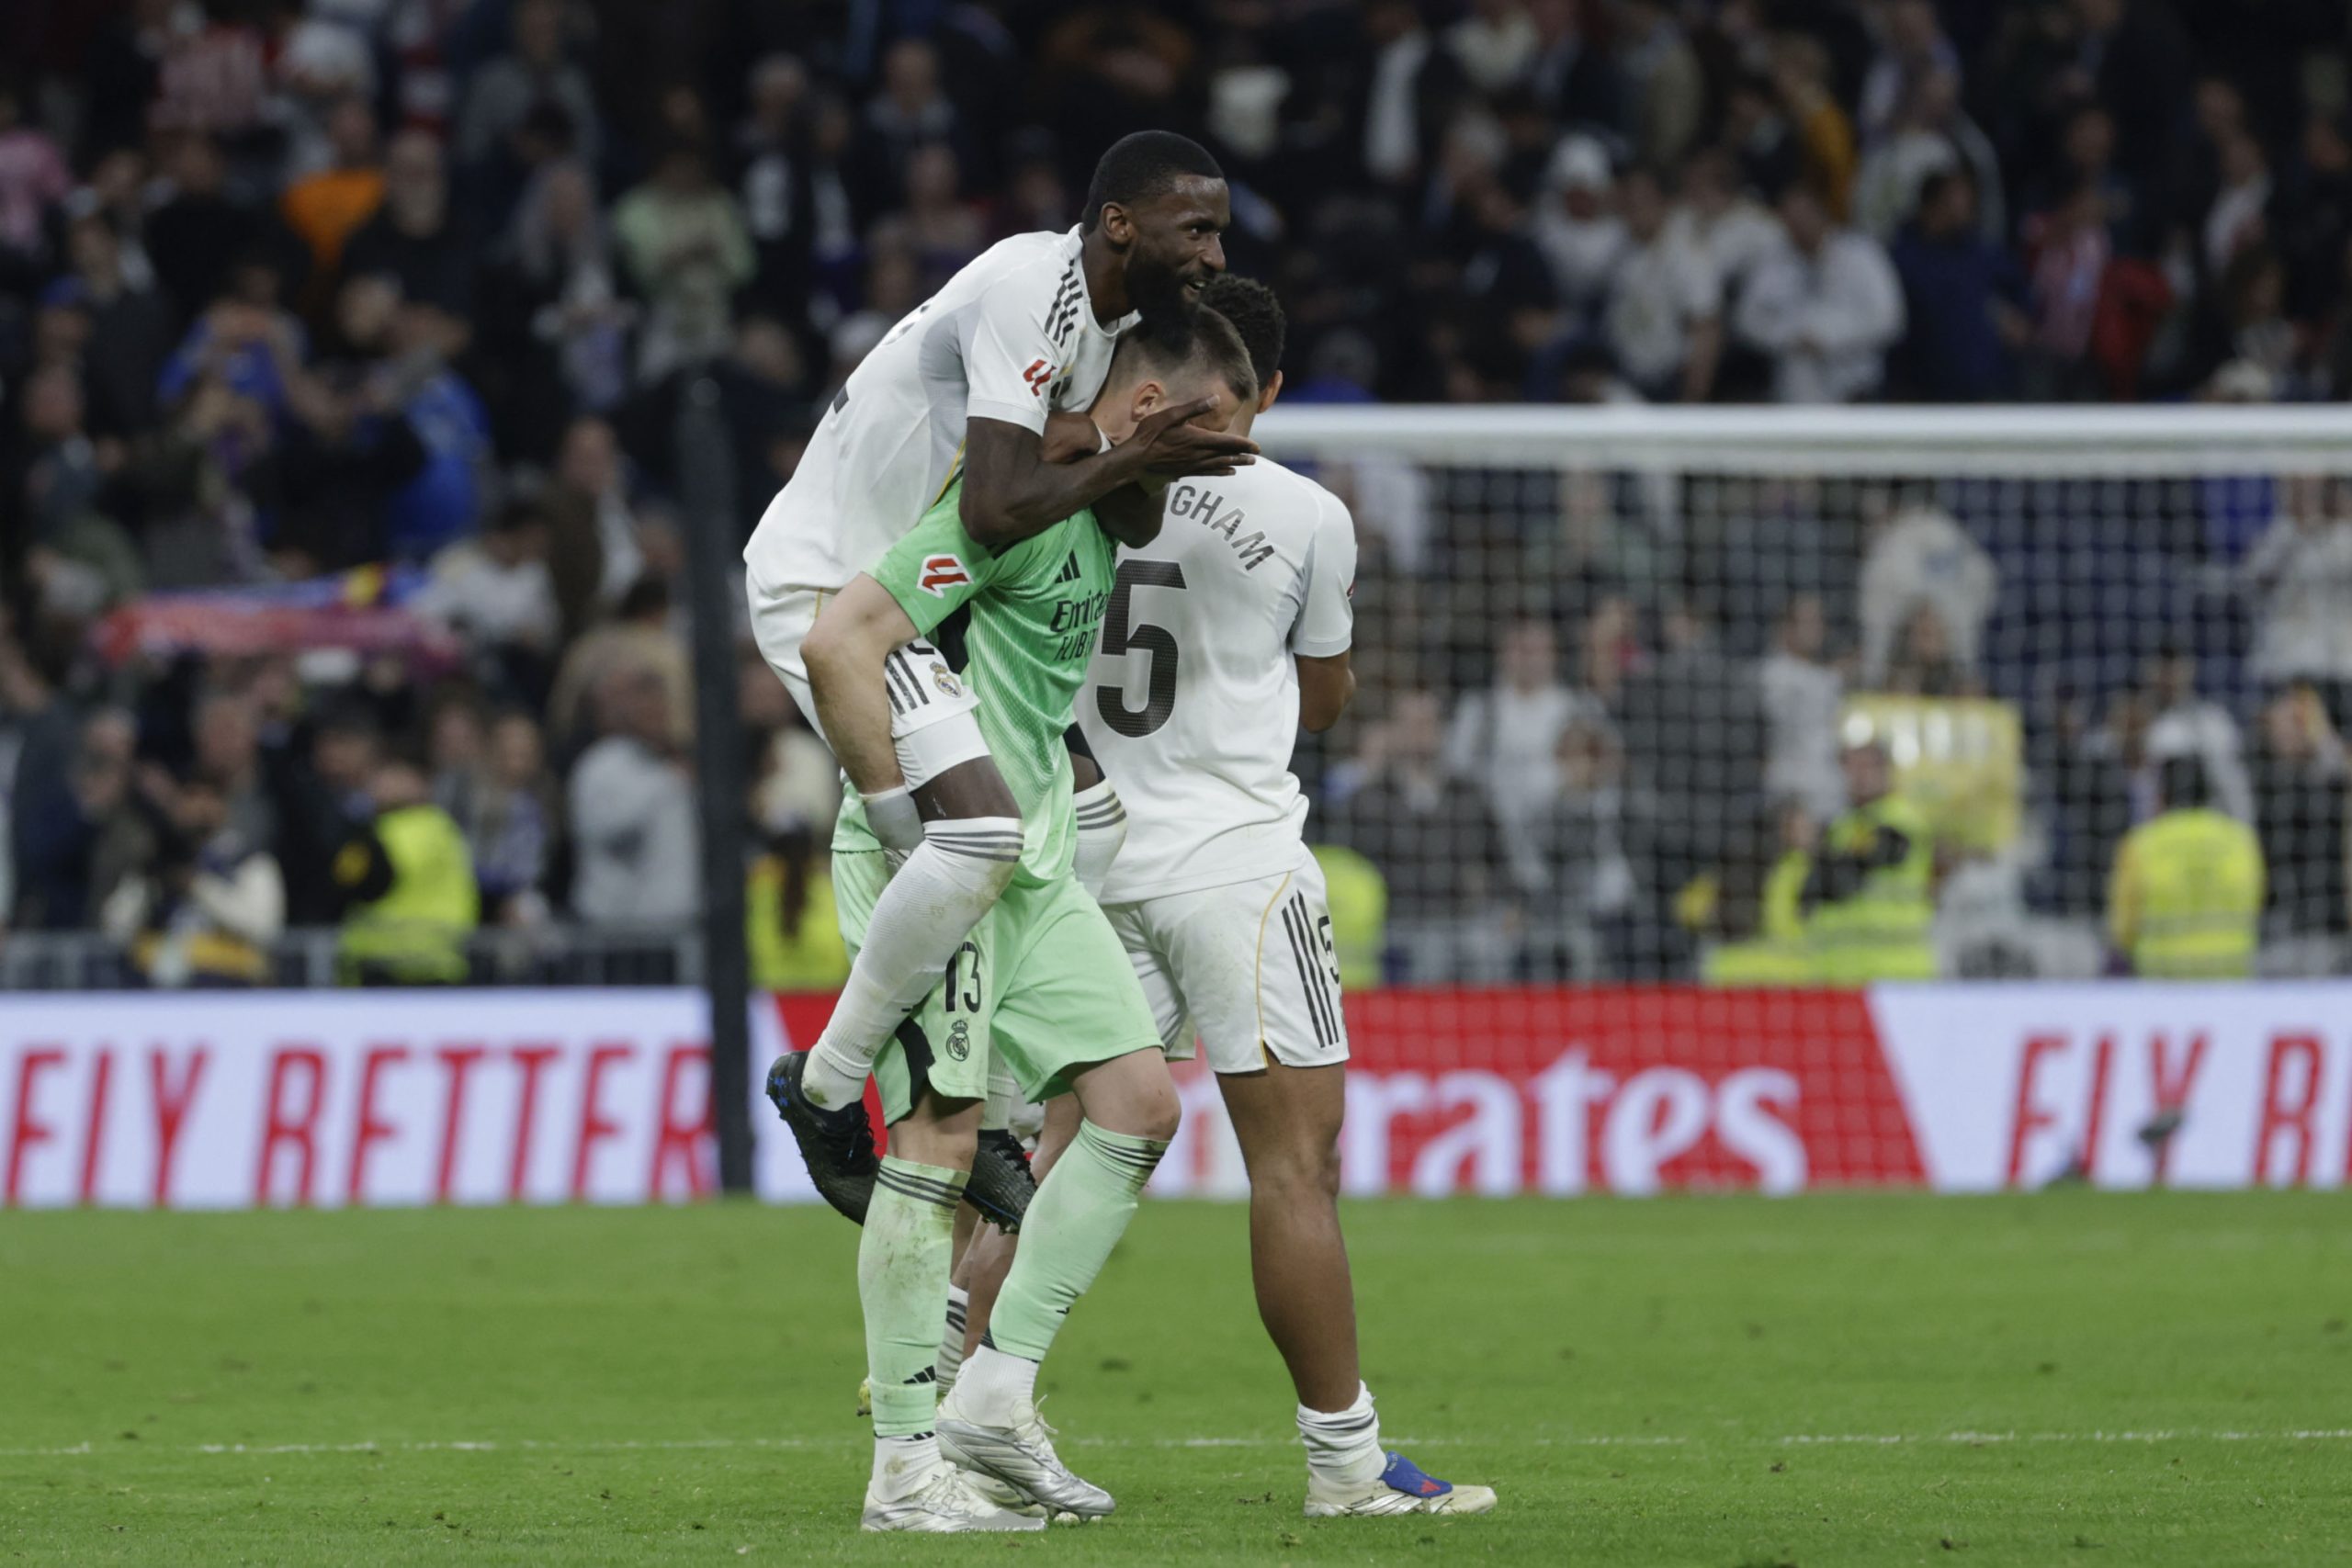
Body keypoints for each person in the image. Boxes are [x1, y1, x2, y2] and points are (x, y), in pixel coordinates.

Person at [773, 313, 1259, 1533]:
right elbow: (843, 638)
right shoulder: (1000, 511)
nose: (1219, 477)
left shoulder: (1096, 515)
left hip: (1035, 864)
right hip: (955, 857)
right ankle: (901, 1469)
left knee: (1138, 1105)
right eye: (1215, 448)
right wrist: (904, 829)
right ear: (1149, 414)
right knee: (934, 1143)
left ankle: (990, 1396)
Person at [1039, 275, 1488, 1516]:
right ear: (1266, 393)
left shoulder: (1052, 485)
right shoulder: (1303, 512)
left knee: (1055, 1143)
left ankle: (957, 1422)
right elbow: (1326, 696)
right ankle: (1345, 1460)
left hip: (1083, 854)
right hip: (1230, 858)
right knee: (1294, 1168)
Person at [742, 130, 1253, 1137]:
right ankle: (831, 1087)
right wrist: (1125, 451)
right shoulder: (1033, 287)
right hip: (833, 586)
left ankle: (1003, 1104)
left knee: (1092, 814)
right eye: (1195, 229)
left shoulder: (1107, 334)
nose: (1214, 256)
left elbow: (1112, 505)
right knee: (975, 834)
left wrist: (1148, 454)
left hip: (918, 601)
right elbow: (994, 505)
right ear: (1119, 223)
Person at [2108, 756, 2264, 978]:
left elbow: (2122, 928)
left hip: (2163, 978)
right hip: (2230, 975)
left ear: (2161, 795)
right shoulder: (2240, 840)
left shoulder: (2141, 844)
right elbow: (2256, 904)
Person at [334, 752, 479, 985]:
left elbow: (357, 879)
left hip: (404, 963)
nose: (384, 784)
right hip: (419, 961)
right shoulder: (443, 827)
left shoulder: (416, 826)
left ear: (420, 783)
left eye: (396, 776)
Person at [1803, 739, 1937, 983]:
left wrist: (1830, 864)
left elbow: (1848, 875)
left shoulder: (1901, 822)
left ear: (1887, 772)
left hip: (1896, 974)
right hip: (1838, 974)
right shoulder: (1841, 828)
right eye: (1851, 768)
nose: (1859, 776)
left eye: (1867, 768)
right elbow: (1809, 889)